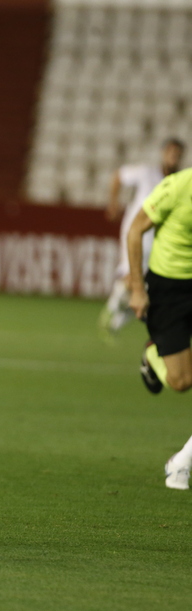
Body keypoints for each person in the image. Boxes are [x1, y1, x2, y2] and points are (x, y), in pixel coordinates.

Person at [127, 166, 192, 490]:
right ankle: (152, 354)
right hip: (169, 290)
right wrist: (138, 288)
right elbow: (135, 229)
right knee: (182, 381)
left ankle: (182, 463)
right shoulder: (178, 187)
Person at [99, 138, 184, 340]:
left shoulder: (179, 180)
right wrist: (113, 203)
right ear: (164, 153)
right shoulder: (146, 173)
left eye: (178, 154)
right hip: (136, 232)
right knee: (132, 279)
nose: (174, 157)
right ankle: (114, 307)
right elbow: (118, 176)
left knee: (148, 288)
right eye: (171, 153)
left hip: (159, 239)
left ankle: (116, 316)